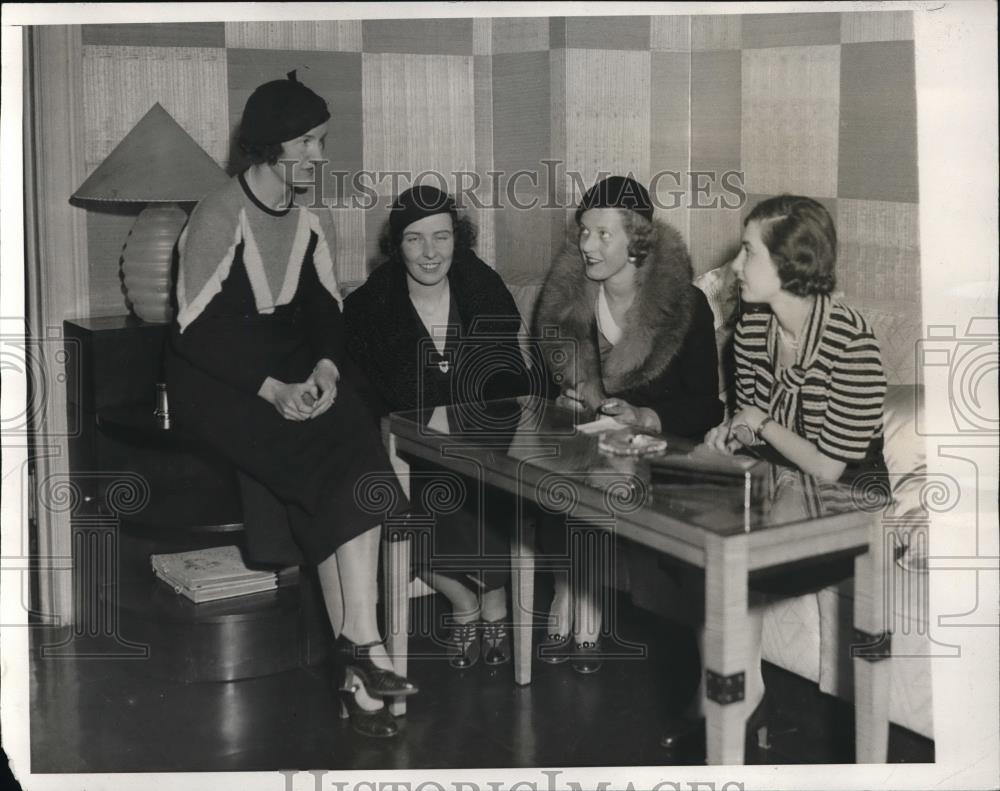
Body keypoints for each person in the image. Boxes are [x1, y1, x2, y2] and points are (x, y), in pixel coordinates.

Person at [165, 74, 416, 739]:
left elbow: (328, 314)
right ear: (272, 145)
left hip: (290, 371)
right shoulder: (217, 213)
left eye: (320, 141)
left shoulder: (310, 219)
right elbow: (194, 328)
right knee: (324, 456)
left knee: (351, 426)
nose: (319, 155)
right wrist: (273, 389)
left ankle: (358, 646)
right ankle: (362, 650)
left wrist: (326, 372)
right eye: (308, 142)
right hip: (219, 382)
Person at [662, 194, 888, 758]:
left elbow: (831, 466)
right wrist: (730, 435)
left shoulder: (852, 342)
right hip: (783, 481)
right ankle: (738, 692)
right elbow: (754, 423)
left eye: (747, 252)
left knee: (724, 553)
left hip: (848, 502)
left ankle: (735, 700)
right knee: (692, 545)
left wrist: (757, 423)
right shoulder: (753, 327)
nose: (734, 267)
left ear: (791, 265)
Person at [533, 175, 723, 673]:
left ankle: (587, 600)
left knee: (605, 470)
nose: (587, 245)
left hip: (660, 451)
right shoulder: (563, 305)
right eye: (584, 232)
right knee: (555, 464)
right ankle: (565, 590)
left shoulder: (686, 305)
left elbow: (707, 405)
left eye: (603, 234)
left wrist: (646, 415)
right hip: (585, 444)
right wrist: (566, 400)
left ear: (638, 242)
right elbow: (541, 389)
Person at [343, 185, 530, 670]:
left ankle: (494, 605)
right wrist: (419, 425)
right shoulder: (369, 306)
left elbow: (509, 376)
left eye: (442, 237)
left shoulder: (483, 287)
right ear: (397, 244)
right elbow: (363, 393)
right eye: (415, 239)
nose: (430, 253)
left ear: (458, 239)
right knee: (406, 501)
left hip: (484, 437)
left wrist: (465, 417)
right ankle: (467, 603)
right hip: (406, 445)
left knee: (485, 491)